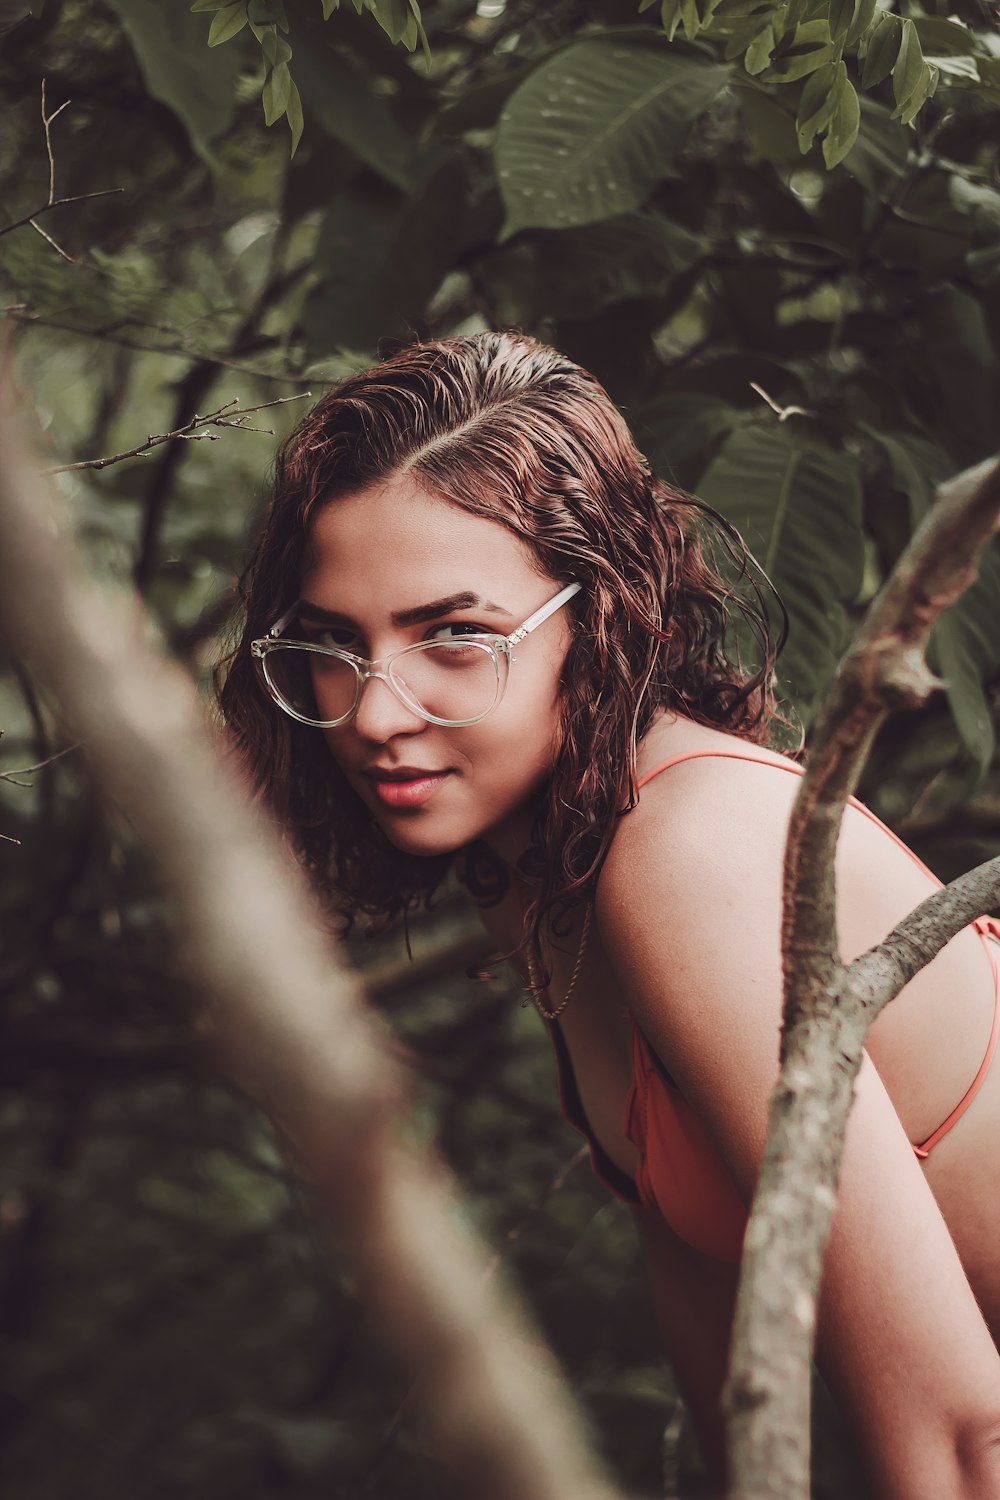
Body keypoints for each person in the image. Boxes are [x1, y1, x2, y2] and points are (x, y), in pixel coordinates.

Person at [219, 331, 1000, 1498]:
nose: (375, 713)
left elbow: (959, 1439)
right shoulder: (541, 865)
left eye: (454, 635)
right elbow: (702, 1266)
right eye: (335, 643)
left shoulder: (684, 858)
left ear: (600, 615)